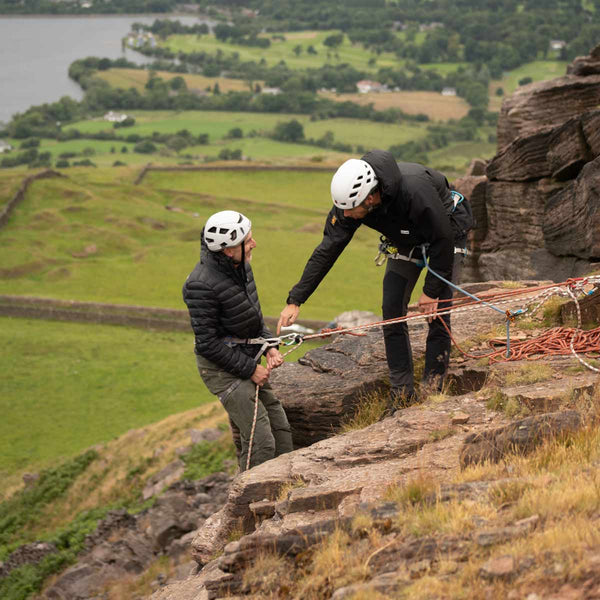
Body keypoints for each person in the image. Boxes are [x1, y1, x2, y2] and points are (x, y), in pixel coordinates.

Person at [277, 150, 472, 412]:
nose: (345, 215)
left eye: (350, 210)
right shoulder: (349, 203)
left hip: (446, 235)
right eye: (342, 209)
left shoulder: (414, 191)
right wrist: (296, 299)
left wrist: (431, 291)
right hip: (404, 239)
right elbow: (328, 249)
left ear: (370, 198)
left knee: (436, 312)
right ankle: (402, 393)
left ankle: (432, 389)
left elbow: (443, 239)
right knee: (391, 311)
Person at [183, 210, 293, 470]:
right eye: (247, 241)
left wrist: (270, 346)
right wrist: (251, 369)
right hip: (221, 370)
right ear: (228, 250)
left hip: (244, 356)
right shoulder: (200, 285)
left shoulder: (241, 267)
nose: (254, 244)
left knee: (281, 427)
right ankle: (252, 502)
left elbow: (252, 320)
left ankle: (288, 484)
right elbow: (207, 344)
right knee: (261, 439)